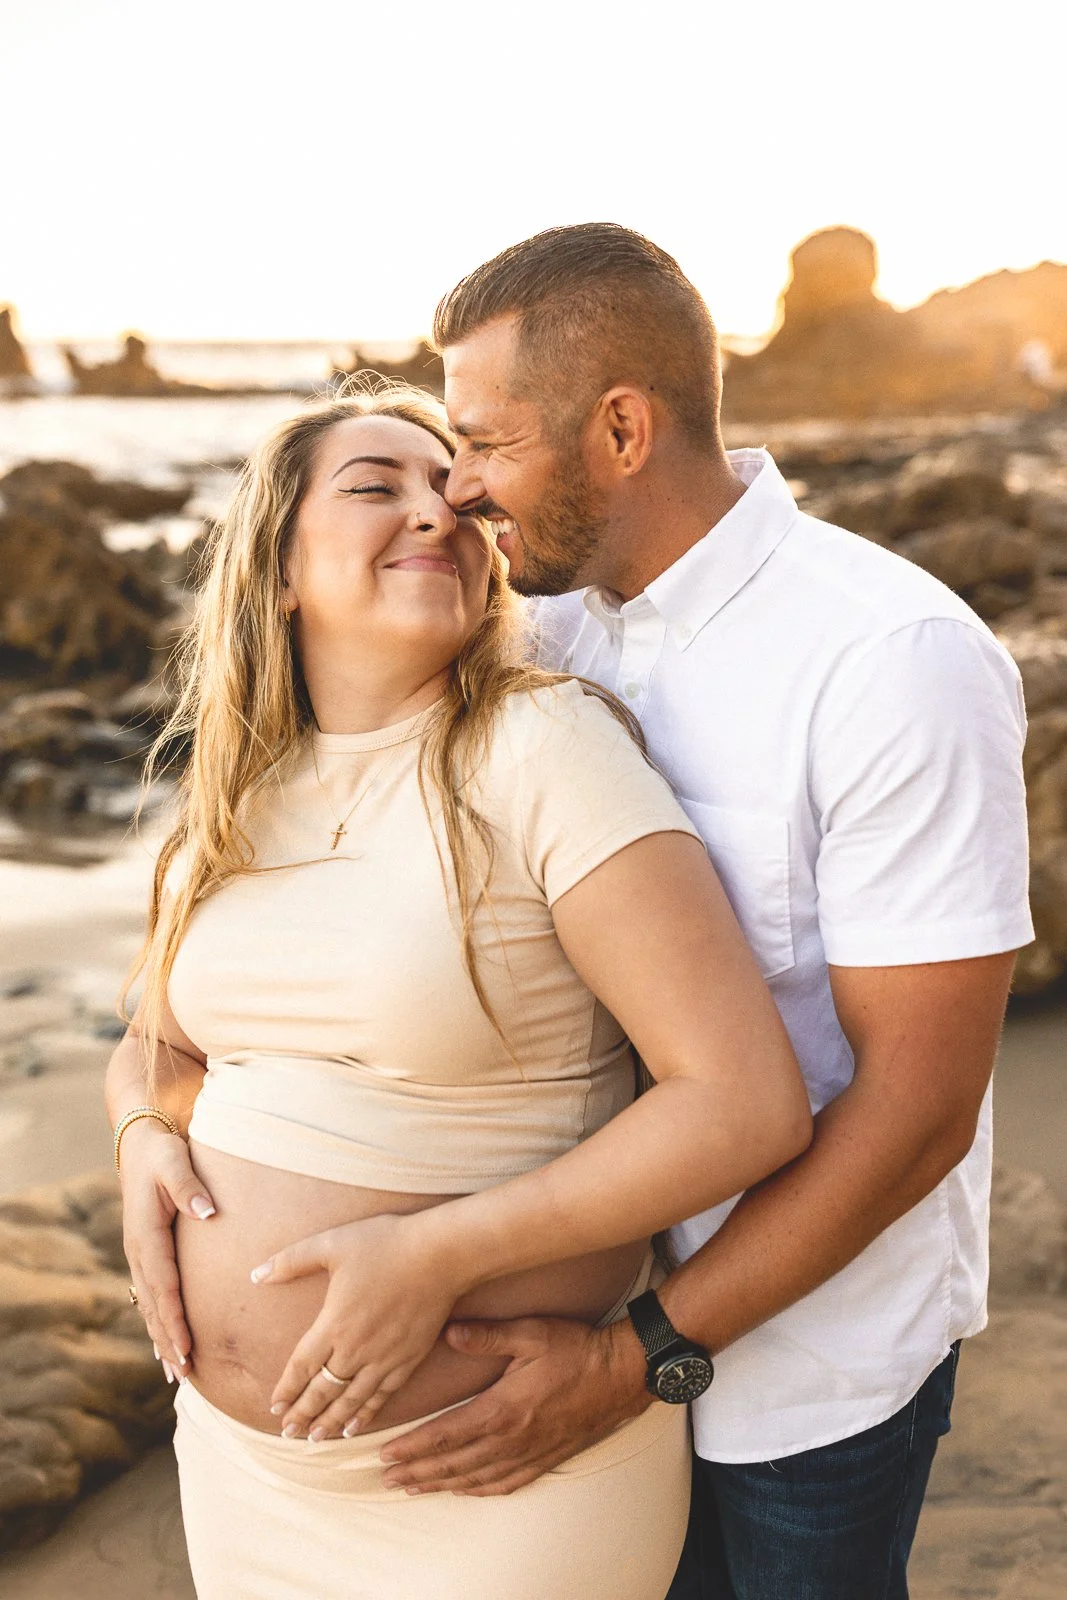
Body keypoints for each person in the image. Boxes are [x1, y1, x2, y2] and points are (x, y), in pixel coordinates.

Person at [369, 225, 1034, 1600]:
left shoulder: (885, 661)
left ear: (619, 428)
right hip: (564, 1323)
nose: (460, 488)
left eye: (485, 444)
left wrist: (640, 1360)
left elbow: (914, 1109)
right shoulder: (535, 636)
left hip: (809, 1373)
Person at [107, 385, 811, 1599]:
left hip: (498, 1477)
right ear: (275, 567)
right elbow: (158, 1043)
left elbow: (743, 1103)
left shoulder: (541, 748)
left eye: (454, 491)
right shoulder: (230, 798)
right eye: (376, 486)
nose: (438, 511)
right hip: (241, 1475)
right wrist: (135, 1138)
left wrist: (432, 1256)